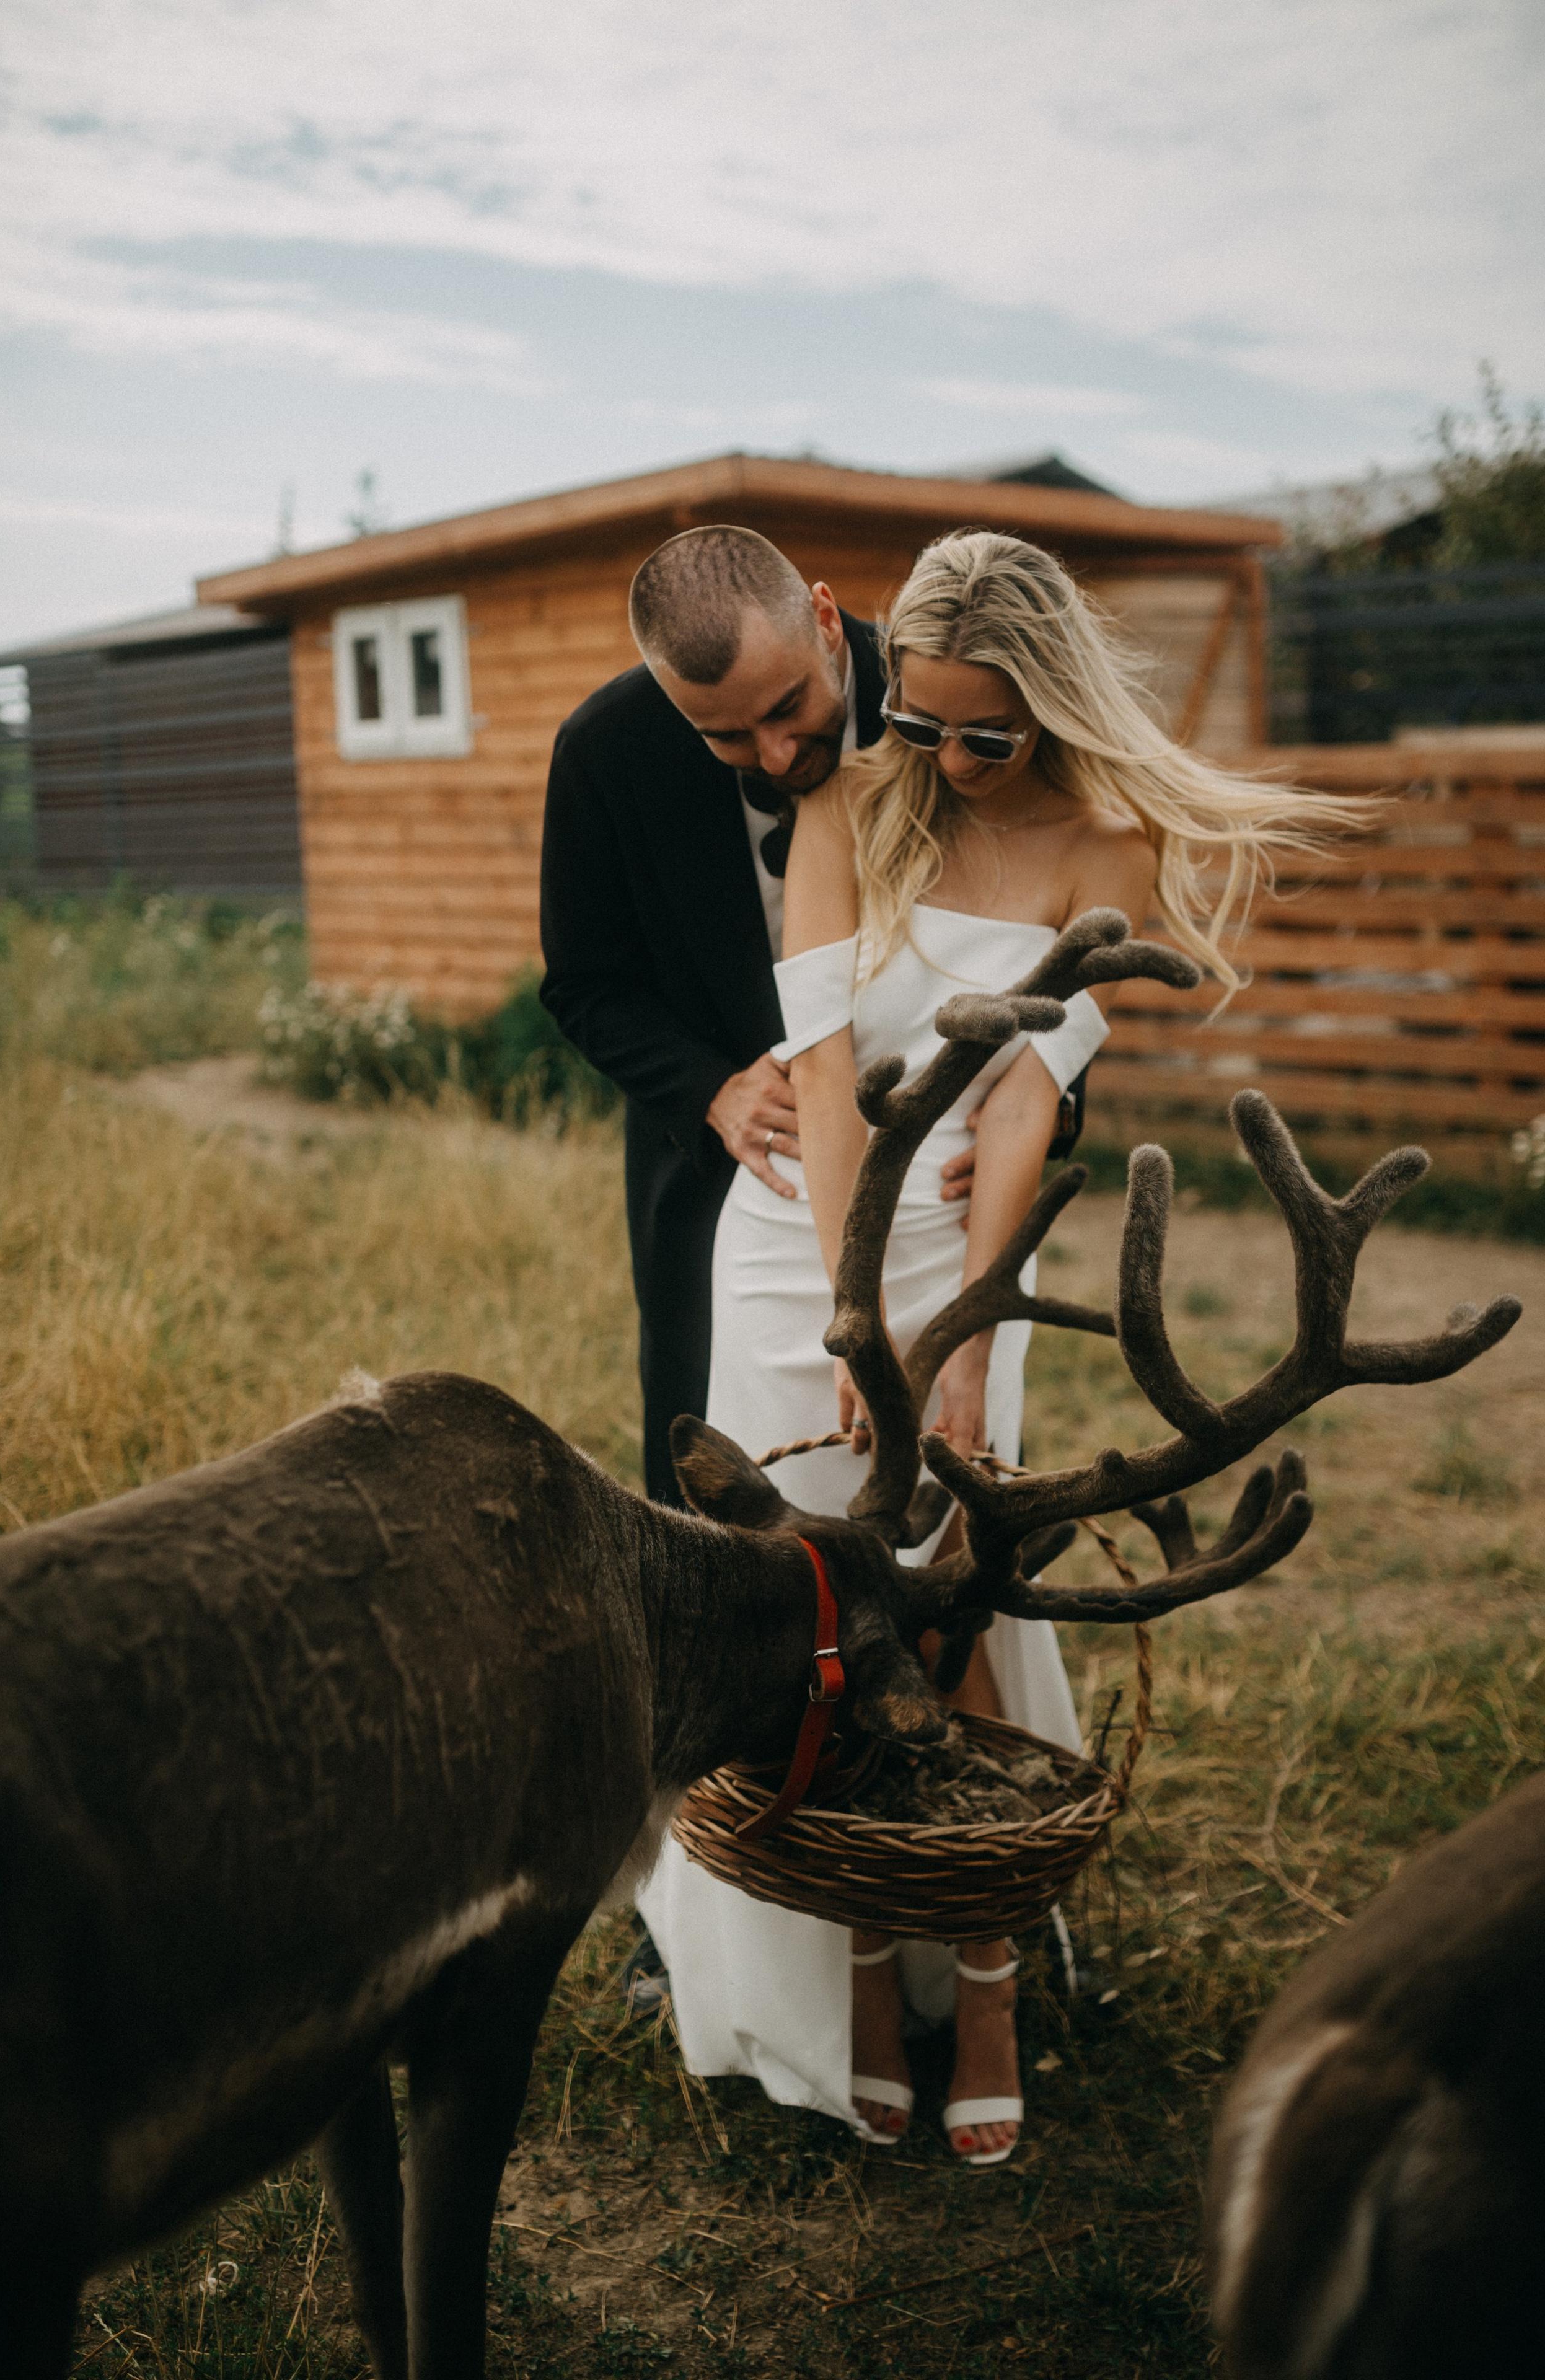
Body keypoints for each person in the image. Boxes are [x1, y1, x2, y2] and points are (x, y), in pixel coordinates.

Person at [638, 527, 1364, 2166]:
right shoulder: (848, 801)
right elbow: (826, 1081)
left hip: (959, 1256)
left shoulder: (1108, 854)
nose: (945, 762)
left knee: (951, 1592)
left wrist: (956, 1344)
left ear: (1050, 708)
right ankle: (846, 1968)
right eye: (922, 723)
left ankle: (977, 1987)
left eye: (986, 734)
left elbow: (1027, 1091)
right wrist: (845, 1311)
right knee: (811, 1610)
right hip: (793, 1256)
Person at [540, 526, 980, 1506]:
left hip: (936, 1180)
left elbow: (1042, 912)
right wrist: (712, 1089)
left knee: (945, 1483)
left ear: (826, 620)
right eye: (728, 737)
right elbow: (583, 982)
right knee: (715, 1485)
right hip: (728, 1179)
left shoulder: (945, 690)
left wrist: (1041, 1097)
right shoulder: (604, 751)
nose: (778, 754)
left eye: (790, 708)